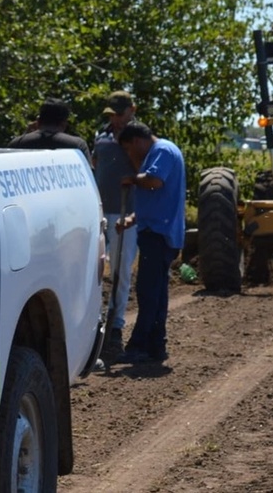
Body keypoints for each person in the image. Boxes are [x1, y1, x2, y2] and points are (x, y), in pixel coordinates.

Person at [115, 121, 186, 364]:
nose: (129, 154)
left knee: (148, 292)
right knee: (156, 292)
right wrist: (133, 219)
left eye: (127, 148)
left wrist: (132, 179)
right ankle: (156, 345)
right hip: (157, 230)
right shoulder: (161, 152)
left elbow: (155, 182)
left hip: (159, 234)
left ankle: (139, 346)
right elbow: (157, 200)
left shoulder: (162, 152)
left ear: (136, 140)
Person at [92, 91, 139, 359]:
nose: (116, 120)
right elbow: (95, 166)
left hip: (125, 214)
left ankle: (116, 328)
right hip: (100, 210)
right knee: (98, 269)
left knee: (121, 271)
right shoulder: (101, 136)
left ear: (132, 110)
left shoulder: (138, 139)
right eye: (112, 115)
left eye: (120, 114)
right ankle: (95, 324)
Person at [8, 97, 91, 162]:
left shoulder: (17, 144)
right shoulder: (76, 146)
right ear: (64, 124)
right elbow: (89, 177)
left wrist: (25, 135)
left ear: (38, 121)